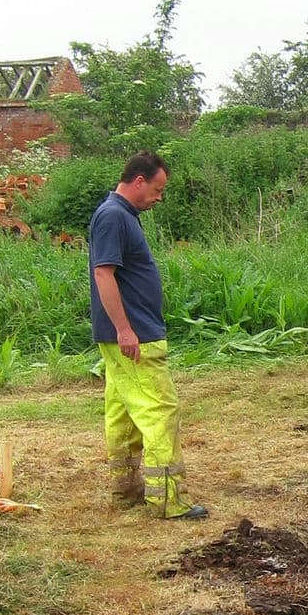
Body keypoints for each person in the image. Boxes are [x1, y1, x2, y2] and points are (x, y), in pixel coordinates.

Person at [87, 152, 207, 521]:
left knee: (123, 412)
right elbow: (103, 275)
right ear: (138, 181)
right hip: (133, 336)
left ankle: (125, 491)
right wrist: (125, 329)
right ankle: (169, 500)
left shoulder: (121, 216)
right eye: (157, 189)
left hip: (128, 335)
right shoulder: (113, 217)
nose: (159, 198)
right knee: (160, 411)